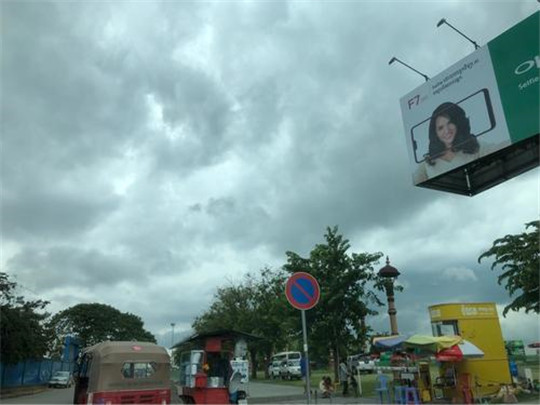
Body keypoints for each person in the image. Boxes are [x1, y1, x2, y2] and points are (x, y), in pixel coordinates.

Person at [413, 102, 505, 183]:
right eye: (440, 128)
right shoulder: (428, 161)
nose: (447, 130)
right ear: (435, 133)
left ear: (458, 123)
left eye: (450, 123)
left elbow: (500, 148)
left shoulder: (474, 146)